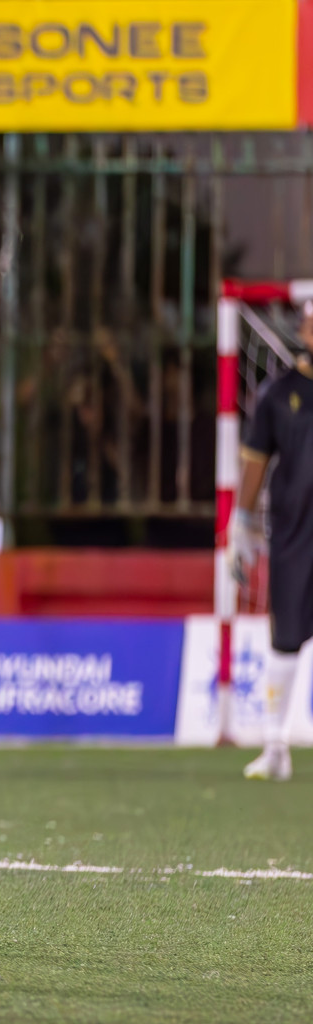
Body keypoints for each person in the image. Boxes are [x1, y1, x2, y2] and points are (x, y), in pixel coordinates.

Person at [231, 306, 313, 781]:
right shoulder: (278, 394)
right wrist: (241, 524)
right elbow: (256, 461)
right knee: (284, 638)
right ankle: (275, 743)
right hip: (295, 532)